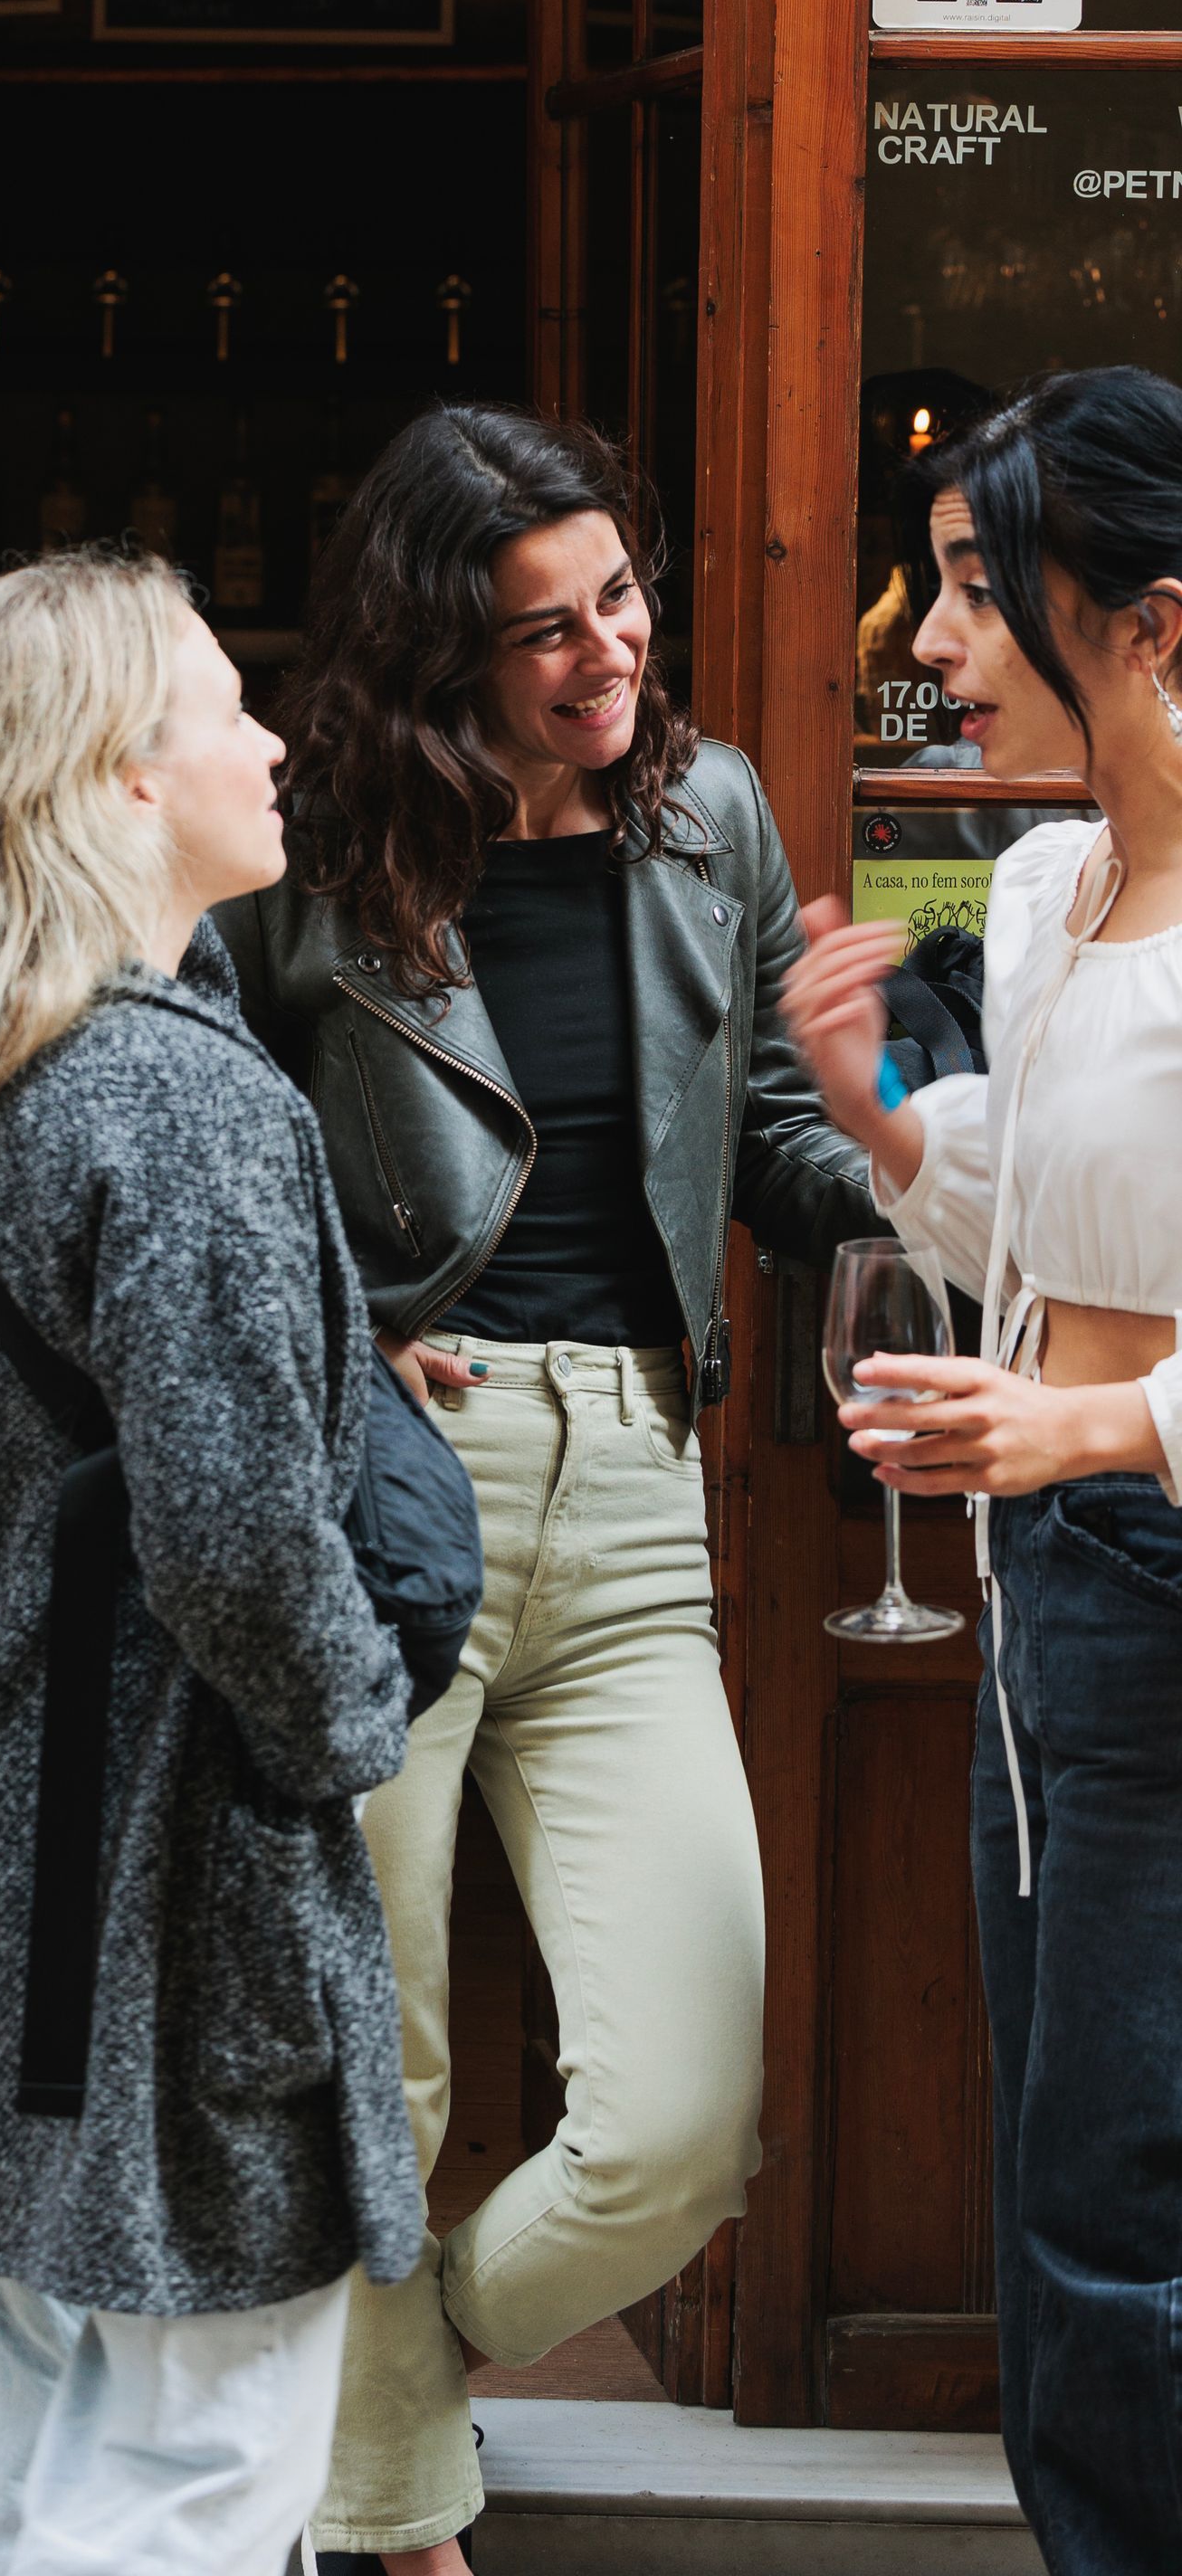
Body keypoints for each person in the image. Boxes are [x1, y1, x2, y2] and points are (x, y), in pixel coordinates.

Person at [216, 404, 873, 2576]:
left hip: (632, 1487)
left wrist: (912, 1177)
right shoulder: (304, 845)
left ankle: (363, 2370)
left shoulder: (706, 817)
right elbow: (194, 1142)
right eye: (542, 630)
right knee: (369, 2056)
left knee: (687, 2109)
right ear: (433, 653)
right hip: (382, 1483)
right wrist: (328, 1322)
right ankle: (394, 2519)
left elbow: (771, 1131)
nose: (606, 653)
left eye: (617, 596)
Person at [0, 550, 426, 2576]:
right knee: (192, 2483)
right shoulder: (173, 1101)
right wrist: (352, 1727)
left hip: (2, 1870)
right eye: (226, 703)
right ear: (117, 781)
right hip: (168, 1894)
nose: (269, 738)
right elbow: (231, 1540)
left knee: (37, 2462)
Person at [780, 365, 1182, 2576]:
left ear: (1148, 622)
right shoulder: (1039, 892)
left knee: (1122, 2195)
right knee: (1059, 2175)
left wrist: (1099, 1426)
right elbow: (1020, 1226)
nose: (923, 643)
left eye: (966, 589)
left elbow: (1097, 1353)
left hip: (1140, 1548)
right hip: (1050, 1570)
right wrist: (872, 1112)